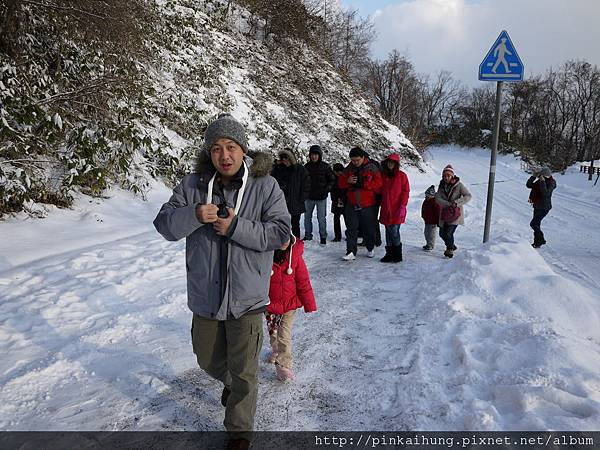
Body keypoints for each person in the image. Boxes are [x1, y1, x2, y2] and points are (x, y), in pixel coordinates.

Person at [153, 113, 290, 450]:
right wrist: (194, 214)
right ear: (208, 153)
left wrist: (236, 227)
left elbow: (280, 232)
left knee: (245, 370)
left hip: (247, 297)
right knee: (206, 357)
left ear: (243, 150)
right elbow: (164, 225)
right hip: (206, 295)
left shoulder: (265, 185)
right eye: (216, 148)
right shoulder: (192, 185)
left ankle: (239, 433)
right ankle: (228, 380)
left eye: (231, 147)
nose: (224, 155)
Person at [265, 234, 317, 382]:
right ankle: (275, 350)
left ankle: (284, 365)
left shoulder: (295, 257)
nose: (284, 242)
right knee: (273, 331)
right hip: (269, 304)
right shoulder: (265, 255)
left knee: (284, 334)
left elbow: (303, 280)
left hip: (289, 304)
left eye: (287, 237)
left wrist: (309, 303)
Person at [338, 146, 382, 261]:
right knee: (351, 228)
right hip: (351, 203)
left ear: (363, 157)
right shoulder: (348, 168)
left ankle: (370, 247)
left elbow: (379, 183)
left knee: (368, 228)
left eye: (357, 160)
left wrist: (364, 184)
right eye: (353, 160)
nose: (355, 162)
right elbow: (340, 183)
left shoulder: (372, 167)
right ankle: (351, 251)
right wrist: (347, 181)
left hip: (367, 204)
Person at [271, 148, 310, 238]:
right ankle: (282, 244)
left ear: (291, 158)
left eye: (287, 158)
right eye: (283, 158)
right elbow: (272, 181)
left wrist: (301, 199)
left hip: (296, 202)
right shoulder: (278, 169)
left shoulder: (300, 169)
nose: (285, 160)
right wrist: (275, 166)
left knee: (295, 225)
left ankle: (296, 245)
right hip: (281, 202)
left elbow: (306, 185)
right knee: (282, 224)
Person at [435, 164, 472, 258]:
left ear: (452, 175)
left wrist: (457, 203)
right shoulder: (441, 185)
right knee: (442, 234)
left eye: (448, 175)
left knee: (448, 233)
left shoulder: (459, 185)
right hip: (444, 213)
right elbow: (437, 198)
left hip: (455, 214)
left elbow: (468, 196)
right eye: (444, 176)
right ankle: (451, 245)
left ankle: (449, 249)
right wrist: (447, 204)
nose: (446, 178)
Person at [378, 153, 410, 263]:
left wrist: (402, 206)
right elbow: (379, 190)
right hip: (386, 208)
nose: (390, 164)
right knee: (387, 231)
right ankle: (389, 254)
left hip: (397, 208)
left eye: (392, 162)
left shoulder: (402, 176)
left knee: (394, 231)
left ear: (396, 164)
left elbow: (406, 191)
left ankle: (397, 254)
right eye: (388, 162)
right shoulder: (383, 175)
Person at [304, 145, 336, 245]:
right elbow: (303, 181)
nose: (314, 157)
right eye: (312, 155)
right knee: (307, 217)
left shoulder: (325, 166)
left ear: (319, 155)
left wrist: (326, 189)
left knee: (321, 218)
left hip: (321, 197)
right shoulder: (306, 167)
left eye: (316, 155)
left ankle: (323, 236)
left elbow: (332, 180)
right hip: (309, 197)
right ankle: (307, 235)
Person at [526, 167, 556, 248]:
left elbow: (545, 194)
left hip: (544, 207)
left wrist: (542, 181)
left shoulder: (551, 182)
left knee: (533, 224)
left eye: (541, 175)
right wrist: (533, 176)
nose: (540, 177)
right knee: (537, 225)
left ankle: (541, 239)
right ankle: (537, 243)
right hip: (537, 205)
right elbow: (529, 185)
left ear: (546, 175)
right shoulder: (539, 181)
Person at [421, 185, 441, 251]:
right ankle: (428, 244)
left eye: (428, 195)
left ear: (432, 195)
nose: (426, 197)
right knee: (426, 233)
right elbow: (423, 208)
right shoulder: (426, 201)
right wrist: (423, 216)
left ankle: (430, 245)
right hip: (427, 221)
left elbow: (438, 212)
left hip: (433, 222)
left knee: (431, 234)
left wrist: (438, 221)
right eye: (426, 195)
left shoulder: (435, 202)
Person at [330, 162, 347, 242]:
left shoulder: (345, 178)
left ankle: (350, 234)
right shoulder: (332, 179)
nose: (338, 173)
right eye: (337, 172)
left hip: (345, 201)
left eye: (340, 171)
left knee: (347, 218)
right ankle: (337, 236)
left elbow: (347, 190)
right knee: (336, 219)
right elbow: (332, 190)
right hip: (335, 201)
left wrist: (343, 198)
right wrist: (335, 199)